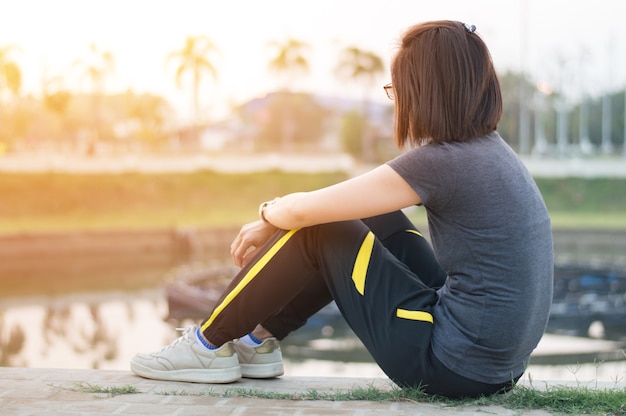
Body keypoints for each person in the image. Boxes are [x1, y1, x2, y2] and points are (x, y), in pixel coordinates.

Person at [130, 20, 553, 398]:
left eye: (398, 90)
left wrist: (265, 216)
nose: (396, 102)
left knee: (321, 229)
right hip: (495, 368)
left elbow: (301, 214)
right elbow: (350, 200)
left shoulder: (443, 161)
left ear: (425, 92)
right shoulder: (492, 153)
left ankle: (207, 344)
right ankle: (257, 341)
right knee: (373, 215)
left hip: (451, 366)